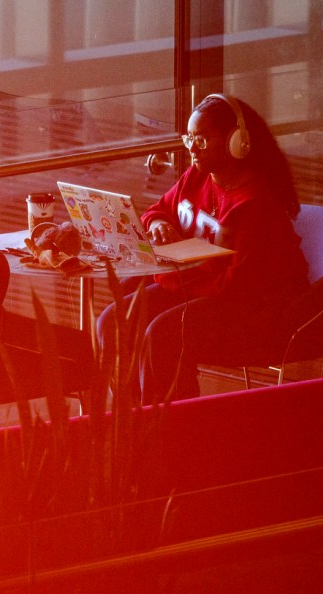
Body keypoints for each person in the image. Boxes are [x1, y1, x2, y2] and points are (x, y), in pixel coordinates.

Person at [97, 93, 309, 403]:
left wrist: (168, 276)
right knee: (113, 321)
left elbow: (237, 289)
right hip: (200, 287)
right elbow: (157, 209)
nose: (192, 148)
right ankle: (129, 424)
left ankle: (176, 431)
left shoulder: (255, 206)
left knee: (162, 334)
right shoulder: (197, 176)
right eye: (189, 138)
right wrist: (158, 224)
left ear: (237, 142)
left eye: (203, 140)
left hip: (254, 309)